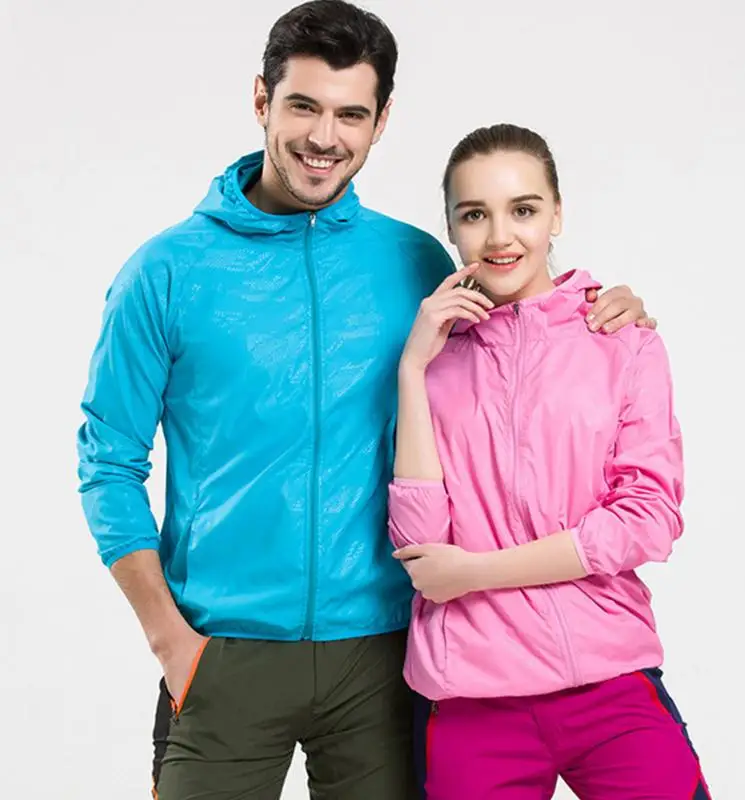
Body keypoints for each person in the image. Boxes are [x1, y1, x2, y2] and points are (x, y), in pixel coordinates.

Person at [76, 3, 655, 799]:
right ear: (261, 100)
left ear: (381, 121)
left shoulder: (416, 262)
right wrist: (170, 641)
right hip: (221, 653)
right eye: (303, 106)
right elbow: (108, 464)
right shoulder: (166, 273)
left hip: (384, 659)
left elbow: (522, 332)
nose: (325, 137)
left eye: (351, 114)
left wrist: (607, 307)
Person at [389, 122, 711, 799]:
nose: (500, 235)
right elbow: (421, 547)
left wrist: (476, 572)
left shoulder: (622, 342)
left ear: (557, 214)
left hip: (610, 678)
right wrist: (413, 371)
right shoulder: (433, 357)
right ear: (451, 228)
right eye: (474, 215)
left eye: (524, 209)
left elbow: (647, 521)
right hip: (470, 693)